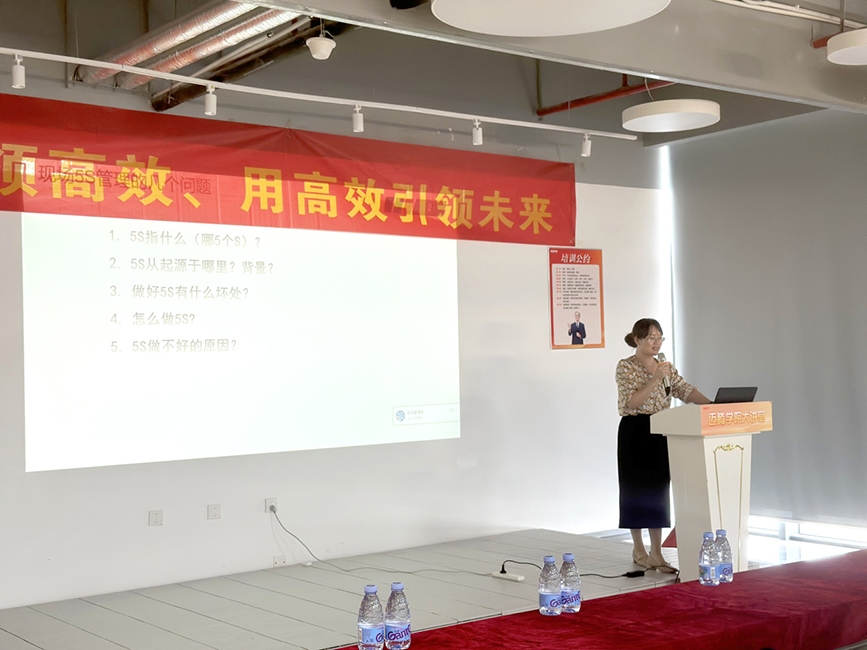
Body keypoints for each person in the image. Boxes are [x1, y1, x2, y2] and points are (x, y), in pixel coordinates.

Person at [616, 318, 710, 572]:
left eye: (660, 338)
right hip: (635, 430)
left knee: (658, 488)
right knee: (636, 488)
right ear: (637, 339)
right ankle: (639, 549)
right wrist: (656, 378)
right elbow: (632, 402)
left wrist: (713, 405)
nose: (656, 343)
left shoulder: (665, 366)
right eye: (651, 338)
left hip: (661, 428)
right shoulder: (626, 366)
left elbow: (684, 390)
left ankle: (656, 553)